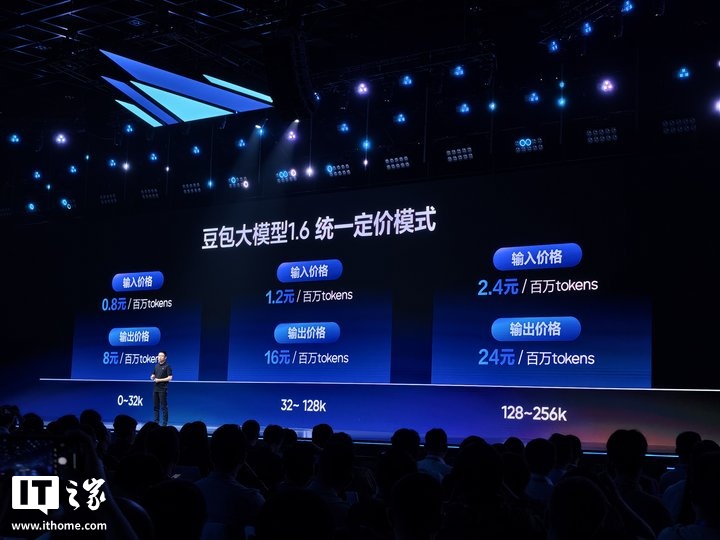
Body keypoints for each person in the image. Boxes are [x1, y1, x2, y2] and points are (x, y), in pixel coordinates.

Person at [150, 350, 172, 426]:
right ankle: (156, 423)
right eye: (158, 356)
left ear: (165, 357)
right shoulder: (156, 366)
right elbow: (153, 374)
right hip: (155, 389)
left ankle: (164, 424)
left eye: (161, 356)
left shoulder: (167, 366)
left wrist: (159, 380)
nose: (159, 357)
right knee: (156, 407)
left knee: (164, 407)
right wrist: (152, 377)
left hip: (163, 389)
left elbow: (170, 378)